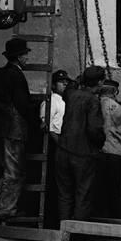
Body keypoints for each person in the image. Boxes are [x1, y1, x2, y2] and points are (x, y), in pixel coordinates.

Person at [0, 37, 35, 224]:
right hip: (14, 129)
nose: (27, 58)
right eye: (25, 54)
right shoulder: (16, 76)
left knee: (8, 170)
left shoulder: (0, 73)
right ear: (19, 57)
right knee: (15, 172)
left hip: (0, 128)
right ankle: (6, 210)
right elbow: (22, 105)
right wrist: (36, 118)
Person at [54, 65, 106, 222]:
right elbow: (94, 130)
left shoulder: (71, 95)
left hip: (63, 150)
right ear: (100, 82)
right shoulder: (93, 101)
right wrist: (101, 141)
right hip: (83, 154)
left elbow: (70, 86)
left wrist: (79, 79)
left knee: (65, 194)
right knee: (83, 194)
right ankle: (76, 233)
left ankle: (63, 230)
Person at [90, 78, 121, 219]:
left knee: (98, 189)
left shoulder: (95, 106)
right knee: (114, 189)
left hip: (99, 153)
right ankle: (116, 218)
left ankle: (99, 218)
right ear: (115, 92)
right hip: (117, 154)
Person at [42, 70, 70, 229]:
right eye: (61, 82)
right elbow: (49, 127)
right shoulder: (51, 101)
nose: (64, 84)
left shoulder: (64, 101)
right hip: (55, 143)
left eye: (66, 81)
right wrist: (61, 146)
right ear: (53, 84)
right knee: (53, 182)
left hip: (61, 142)